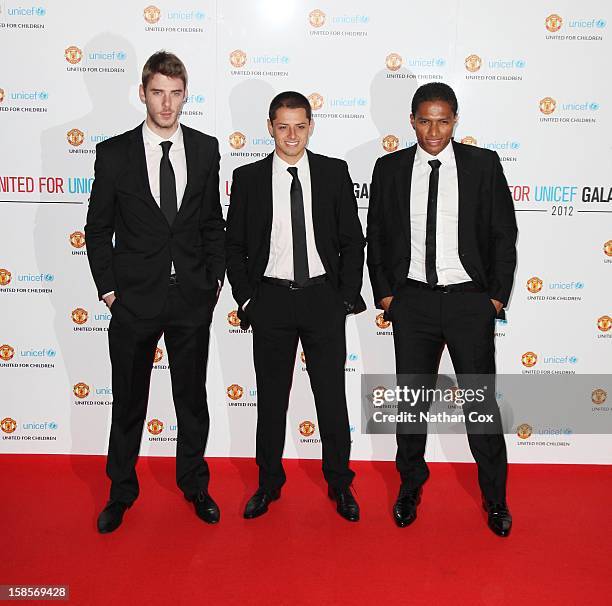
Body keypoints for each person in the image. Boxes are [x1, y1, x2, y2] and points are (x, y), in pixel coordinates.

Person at [366, 82, 517, 536]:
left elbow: (502, 236)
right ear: (412, 120)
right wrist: (387, 295)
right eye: (425, 120)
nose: (434, 129)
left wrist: (495, 297)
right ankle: (410, 487)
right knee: (411, 405)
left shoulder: (483, 165)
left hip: (470, 301)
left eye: (444, 120)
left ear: (455, 121)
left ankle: (495, 499)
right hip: (412, 302)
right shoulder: (389, 168)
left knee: (479, 406)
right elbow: (377, 236)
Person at [85, 51, 225, 533]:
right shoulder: (115, 152)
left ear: (186, 95)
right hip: (133, 301)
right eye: (158, 93)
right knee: (128, 403)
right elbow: (97, 228)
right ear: (142, 93)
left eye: (175, 93)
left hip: (190, 297)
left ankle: (194, 484)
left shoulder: (206, 150)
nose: (167, 104)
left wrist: (212, 285)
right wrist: (108, 291)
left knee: (192, 401)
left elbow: (212, 225)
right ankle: (120, 491)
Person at [226, 91, 366, 522]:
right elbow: (233, 246)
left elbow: (351, 239)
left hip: (322, 298)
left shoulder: (333, 172)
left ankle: (340, 483)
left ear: (311, 126)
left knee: (331, 399)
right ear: (270, 127)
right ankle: (268, 484)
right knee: (270, 401)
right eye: (283, 126)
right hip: (270, 299)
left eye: (300, 126)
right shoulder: (247, 178)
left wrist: (343, 296)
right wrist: (248, 298)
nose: (291, 135)